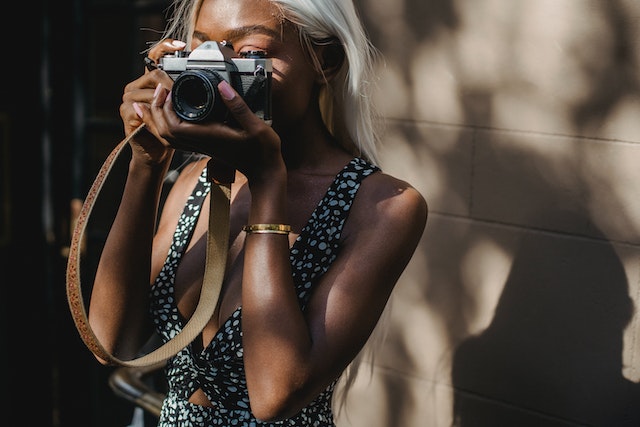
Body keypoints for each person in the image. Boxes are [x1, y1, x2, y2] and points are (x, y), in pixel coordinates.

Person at [88, 0, 428, 425]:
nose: (218, 70)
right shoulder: (197, 182)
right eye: (202, 50)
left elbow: (274, 397)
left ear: (326, 61)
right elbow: (110, 341)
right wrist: (146, 162)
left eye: (249, 54)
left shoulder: (382, 207)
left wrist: (269, 182)